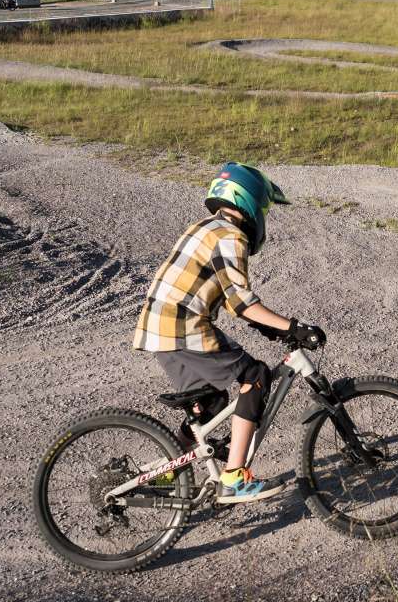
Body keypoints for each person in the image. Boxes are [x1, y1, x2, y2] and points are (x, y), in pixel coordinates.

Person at [133, 162, 325, 503]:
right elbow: (240, 301)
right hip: (182, 326)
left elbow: (223, 293)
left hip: (158, 328)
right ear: (249, 201)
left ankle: (166, 474)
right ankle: (234, 478)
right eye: (264, 208)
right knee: (256, 376)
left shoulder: (205, 227)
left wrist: (266, 325)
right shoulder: (231, 235)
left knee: (210, 402)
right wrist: (293, 327)